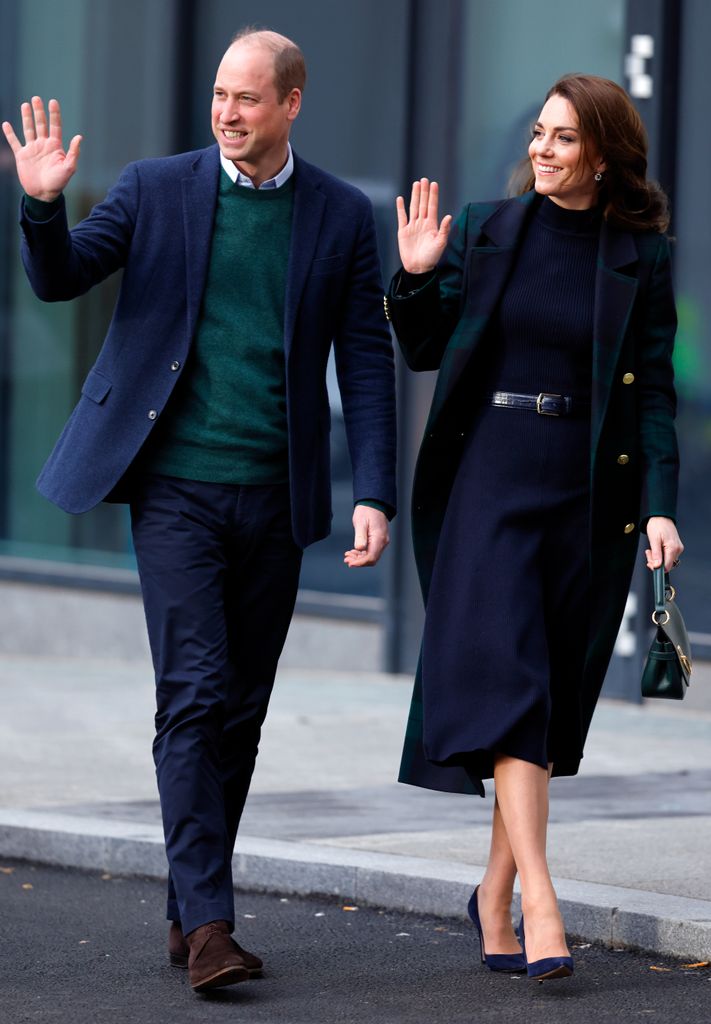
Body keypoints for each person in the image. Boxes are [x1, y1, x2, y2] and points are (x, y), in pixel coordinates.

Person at [3, 29, 396, 993]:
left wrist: (376, 492)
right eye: (219, 95)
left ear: (291, 104)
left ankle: (189, 904)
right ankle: (214, 927)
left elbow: (367, 361)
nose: (225, 113)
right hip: (173, 486)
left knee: (242, 715)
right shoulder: (155, 185)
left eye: (247, 99)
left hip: (275, 493)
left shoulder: (341, 215)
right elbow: (60, 279)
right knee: (193, 694)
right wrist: (42, 206)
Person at [385, 73, 682, 983]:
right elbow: (427, 347)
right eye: (537, 136)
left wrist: (662, 501)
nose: (541, 151)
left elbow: (654, 390)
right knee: (514, 683)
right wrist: (417, 275)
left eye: (561, 138)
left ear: (602, 151)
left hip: (586, 493)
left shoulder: (639, 254)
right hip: (488, 481)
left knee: (543, 699)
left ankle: (491, 890)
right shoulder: (485, 228)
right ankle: (542, 903)